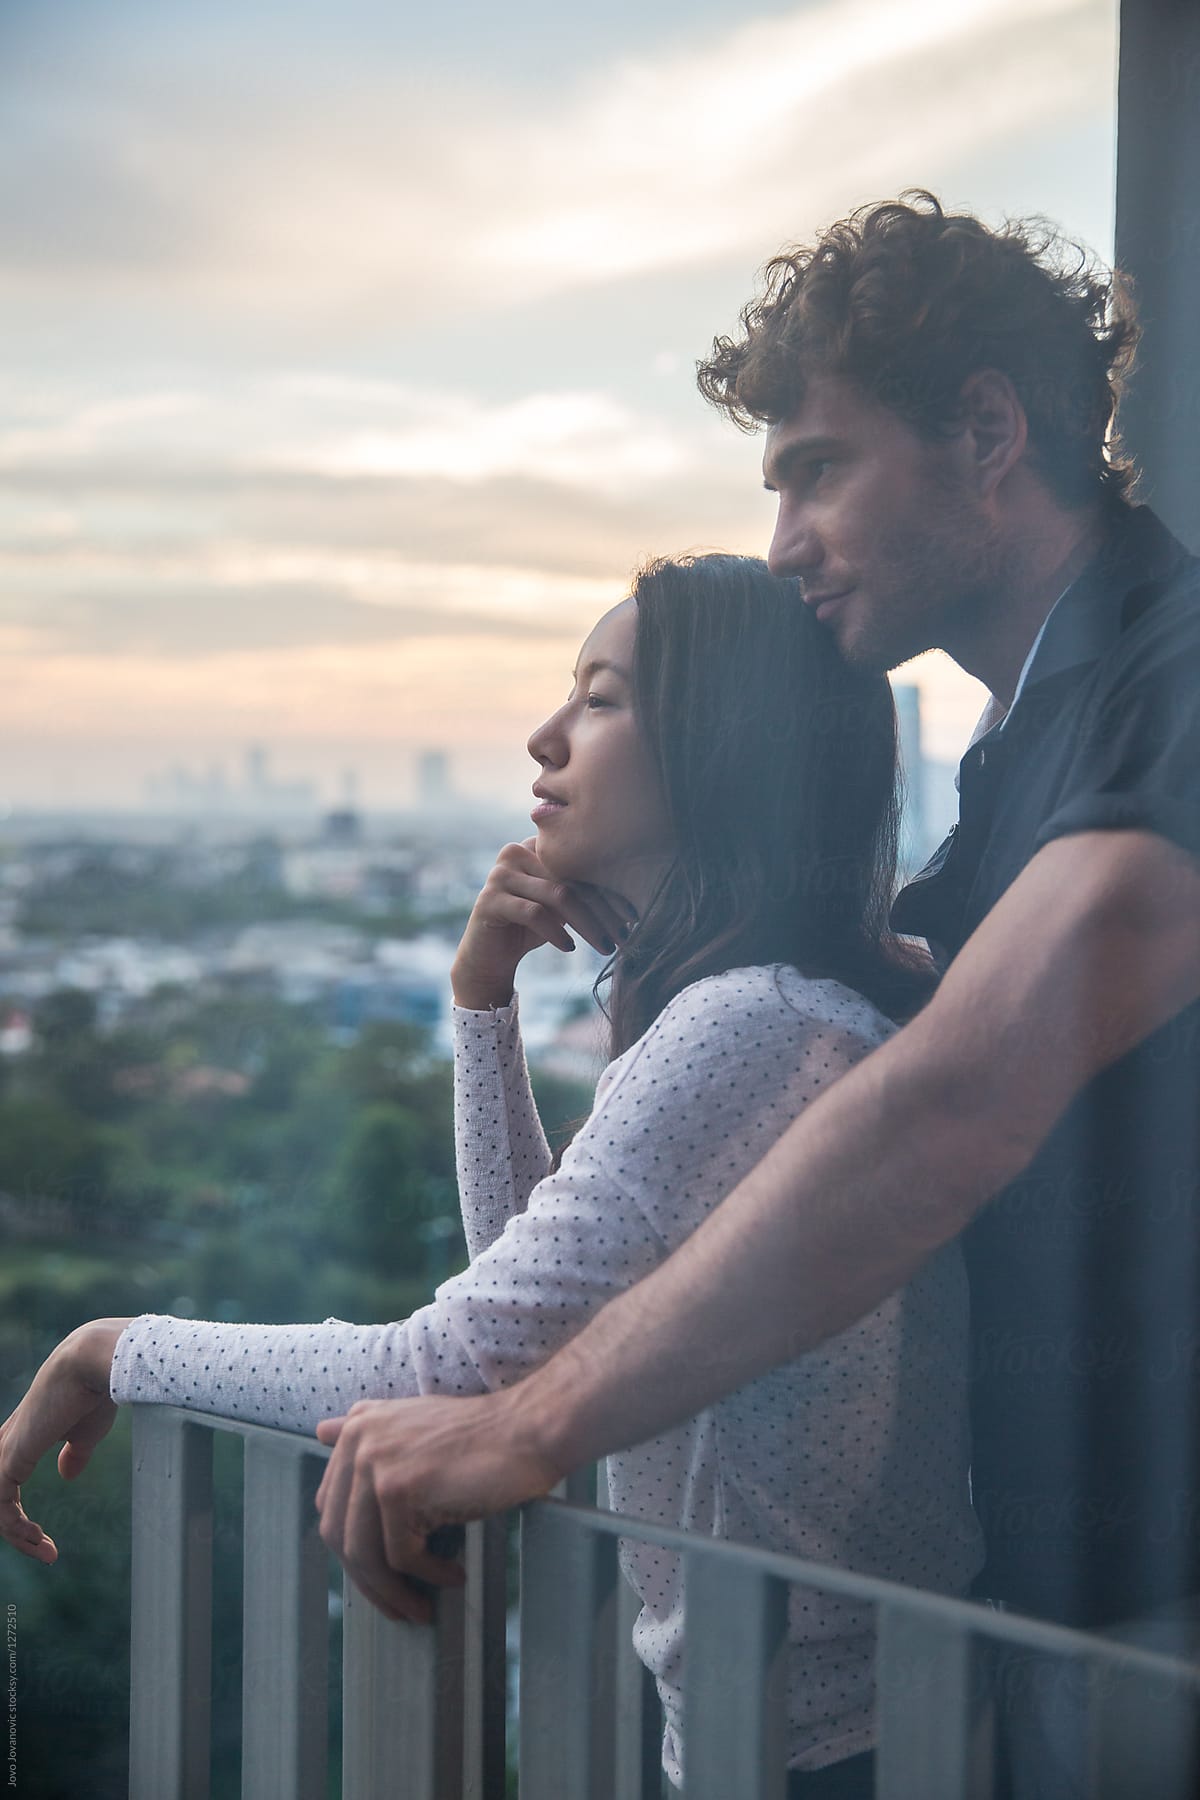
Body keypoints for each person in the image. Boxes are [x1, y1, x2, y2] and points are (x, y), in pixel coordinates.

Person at [299, 196, 1200, 1785]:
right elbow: (789, 1093)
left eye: (816, 471)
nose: (786, 546)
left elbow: (962, 1095)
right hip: (1059, 1618)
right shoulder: (1027, 759)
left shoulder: (1174, 686)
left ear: (986, 429)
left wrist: (528, 1428)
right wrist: (632, 944)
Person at [0, 554, 983, 1794]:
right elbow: (530, 1295)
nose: (545, 736)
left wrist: (109, 1348)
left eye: (603, 698)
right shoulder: (770, 1014)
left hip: (820, 1741)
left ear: (720, 747)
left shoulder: (754, 1027)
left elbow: (448, 1366)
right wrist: (482, 1005)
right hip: (811, 1722)